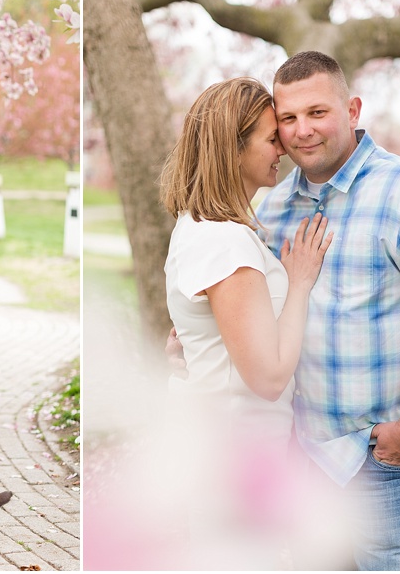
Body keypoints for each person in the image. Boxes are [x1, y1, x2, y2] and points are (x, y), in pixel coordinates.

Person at [175, 51, 400, 569]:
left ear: (352, 110)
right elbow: (246, 308)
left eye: (317, 113)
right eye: (287, 118)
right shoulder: (271, 209)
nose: (302, 130)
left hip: (387, 464)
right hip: (306, 466)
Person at [159, 77, 333, 565]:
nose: (283, 147)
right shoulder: (225, 242)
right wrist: (299, 283)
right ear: (232, 149)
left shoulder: (205, 226)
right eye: (270, 137)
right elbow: (268, 378)